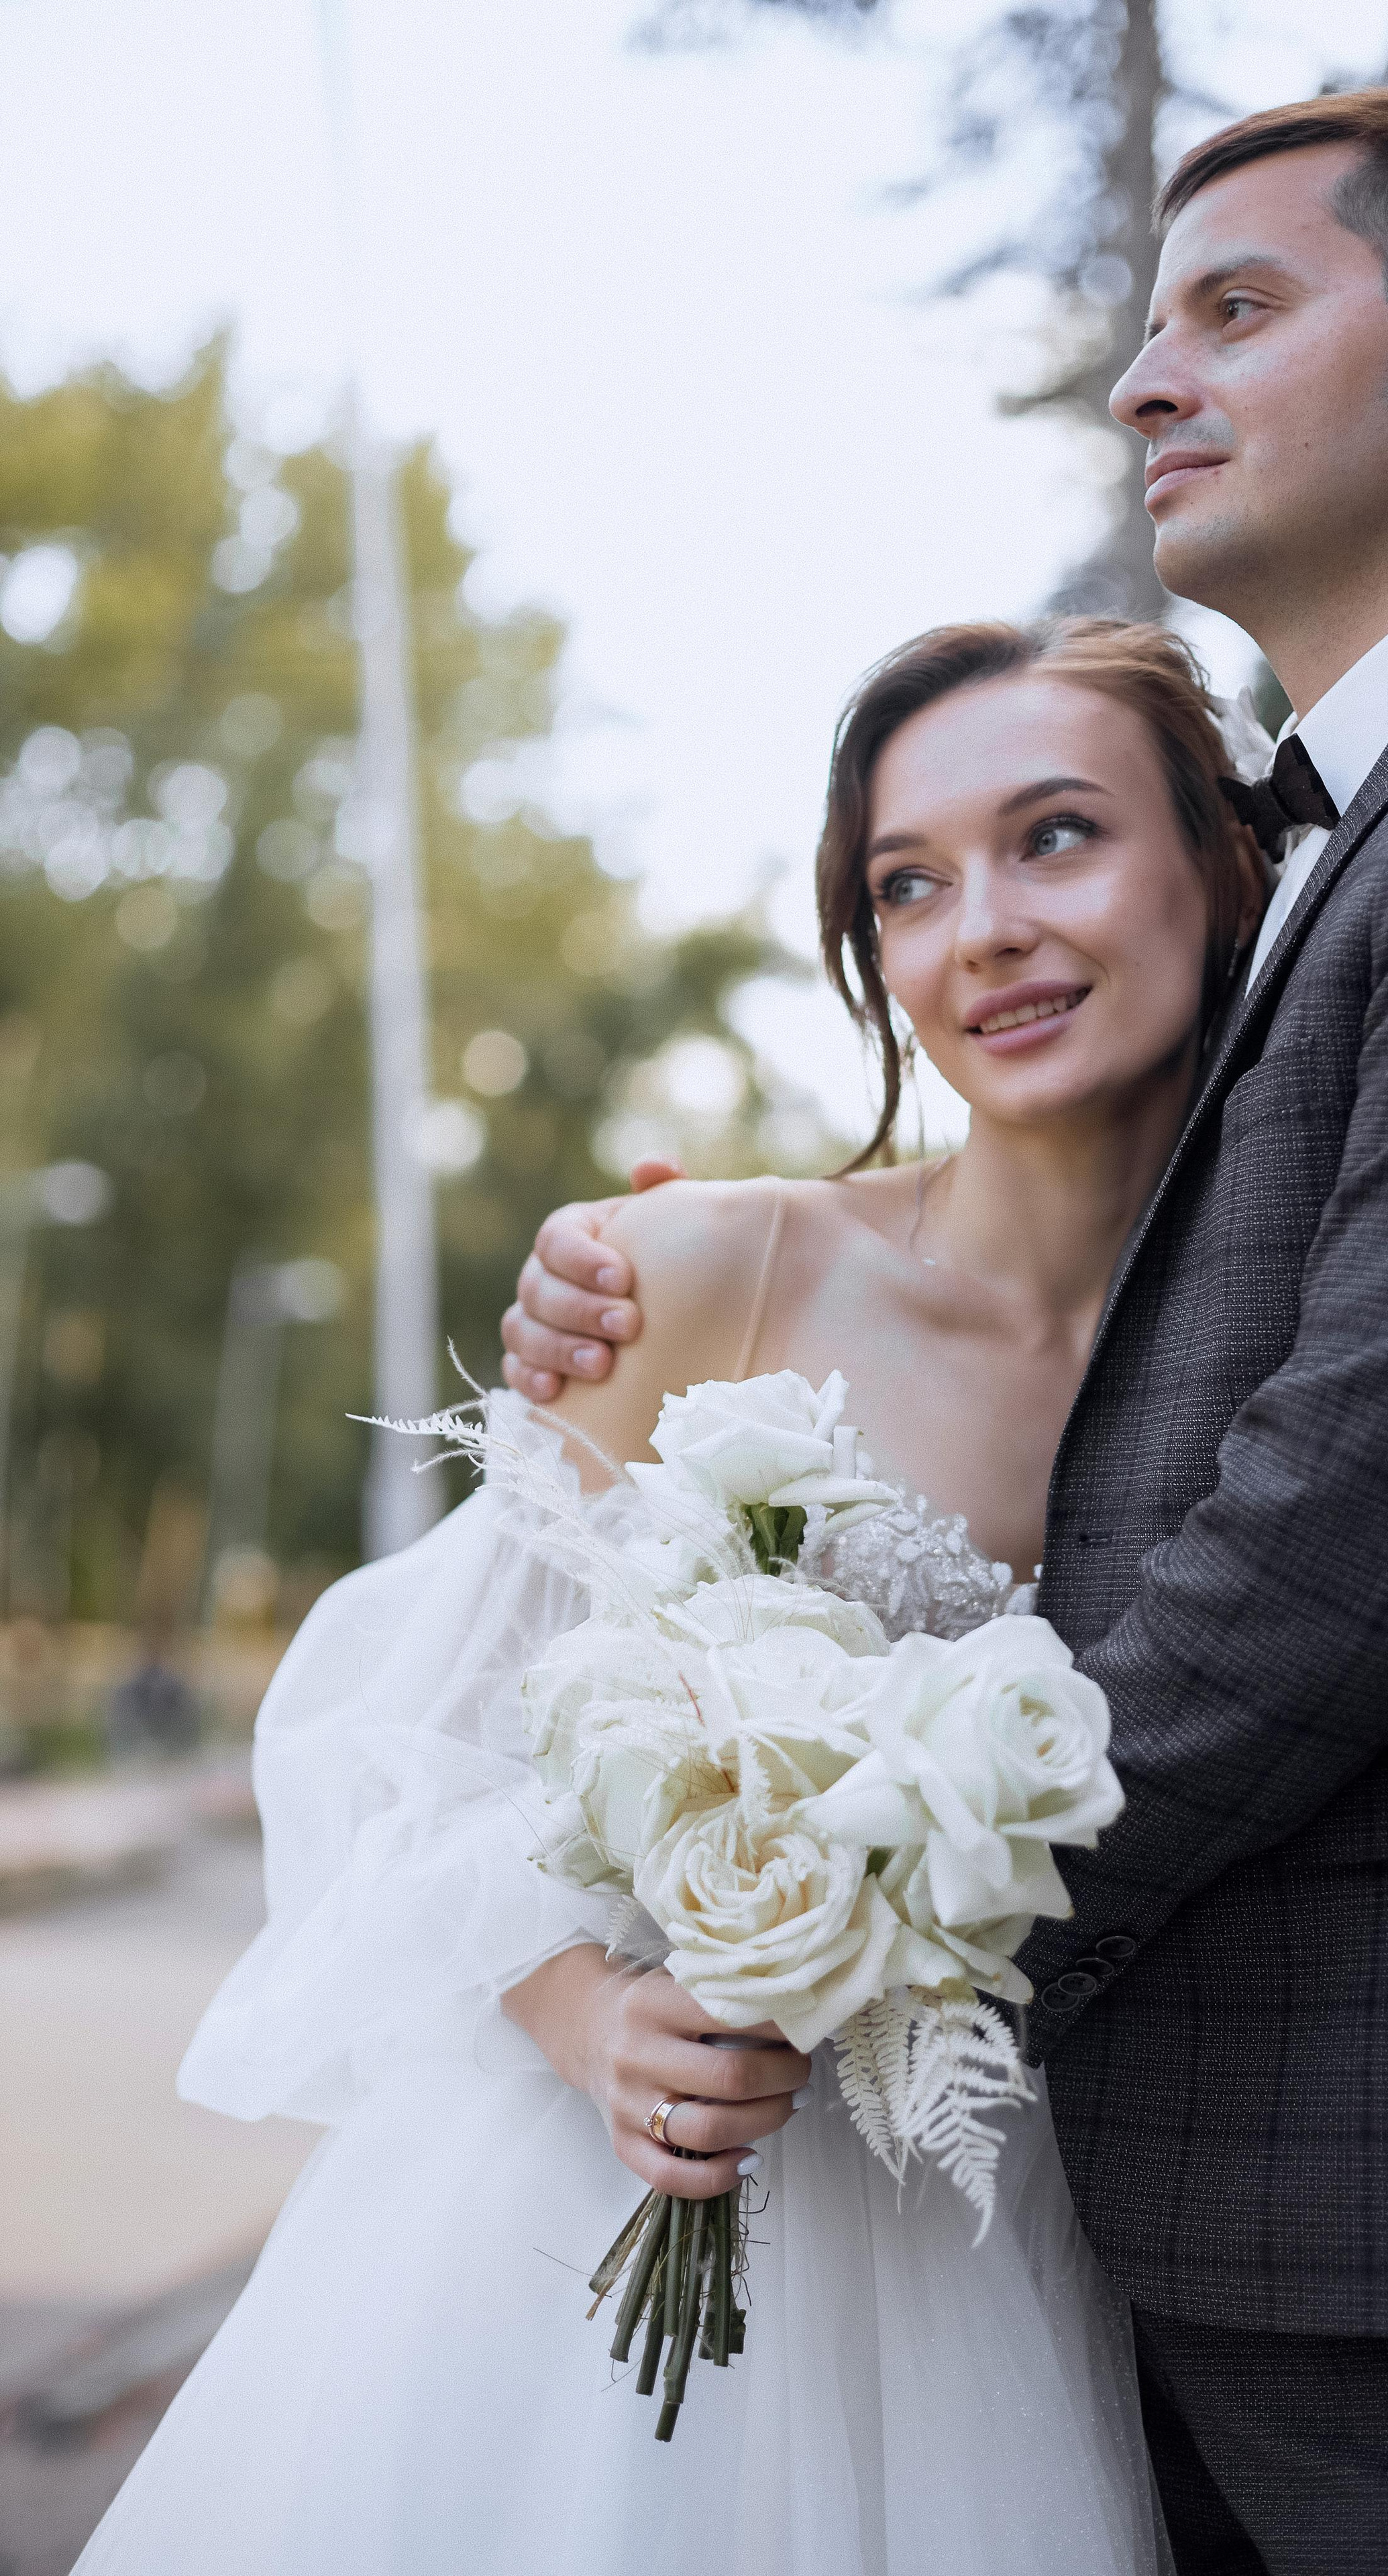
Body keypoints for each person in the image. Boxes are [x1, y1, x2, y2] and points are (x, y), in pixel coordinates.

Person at [506, 84, 1388, 2574]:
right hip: (1208, 2219)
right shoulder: (1381, 852)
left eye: (1240, 315)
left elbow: (1364, 1509)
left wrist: (861, 1924)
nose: (1151, 384)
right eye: (909, 887)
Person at [72, 616, 1269, 2575]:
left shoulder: (1280, 1346)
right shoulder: (703, 1276)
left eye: (1057, 838)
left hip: (1019, 2249)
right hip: (591, 2229)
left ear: (1219, 868)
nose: (983, 930)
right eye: (910, 881)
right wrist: (590, 2017)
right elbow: (407, 1750)